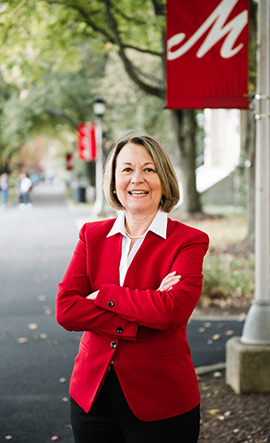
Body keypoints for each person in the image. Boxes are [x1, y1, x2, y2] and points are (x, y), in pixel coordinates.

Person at [56, 132, 209, 443]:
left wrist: (104, 295)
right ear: (114, 181)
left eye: (149, 169)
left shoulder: (188, 241)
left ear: (163, 179)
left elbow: (172, 312)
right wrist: (148, 305)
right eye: (127, 169)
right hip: (91, 396)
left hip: (162, 400)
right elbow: (66, 310)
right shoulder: (91, 235)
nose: (137, 179)